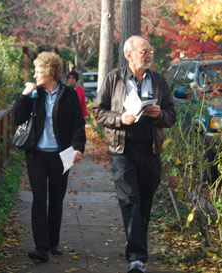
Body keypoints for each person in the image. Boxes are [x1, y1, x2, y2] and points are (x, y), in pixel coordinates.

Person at [92, 36, 176, 273]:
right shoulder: (114, 79)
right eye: (143, 51)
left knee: (144, 201)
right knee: (130, 200)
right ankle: (137, 257)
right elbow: (99, 112)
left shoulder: (158, 80)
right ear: (129, 55)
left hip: (150, 151)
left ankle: (136, 245)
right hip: (122, 150)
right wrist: (120, 118)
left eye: (150, 51)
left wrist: (159, 114)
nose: (148, 55)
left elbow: (171, 115)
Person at [13, 52, 86, 262]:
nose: (35, 74)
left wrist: (78, 147)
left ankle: (53, 241)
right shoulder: (36, 94)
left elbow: (77, 124)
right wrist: (25, 95)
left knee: (56, 198)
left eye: (39, 71)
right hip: (36, 154)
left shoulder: (69, 95)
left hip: (61, 154)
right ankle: (41, 247)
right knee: (38, 199)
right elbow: (17, 118)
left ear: (51, 72)